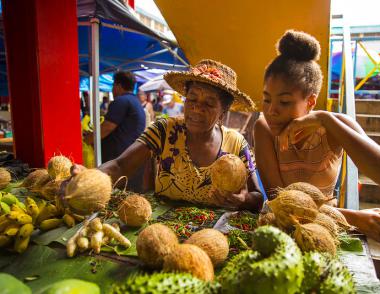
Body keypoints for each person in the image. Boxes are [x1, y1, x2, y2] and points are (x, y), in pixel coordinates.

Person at [254, 30, 380, 248]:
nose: (271, 111)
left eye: (284, 102)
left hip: (329, 228)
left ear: (311, 101)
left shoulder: (334, 126)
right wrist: (353, 217)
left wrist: (327, 120)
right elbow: (283, 205)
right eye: (266, 99)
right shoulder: (264, 128)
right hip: (285, 230)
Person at [79, 60, 262, 211]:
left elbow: (257, 197)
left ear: (223, 112)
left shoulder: (236, 144)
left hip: (214, 238)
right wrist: (86, 178)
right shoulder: (164, 130)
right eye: (192, 99)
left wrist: (243, 200)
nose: (197, 108)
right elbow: (120, 165)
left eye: (209, 103)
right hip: (164, 229)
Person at [84, 71, 146, 163]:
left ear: (118, 86)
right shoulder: (135, 102)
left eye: (113, 86)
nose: (112, 89)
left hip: (117, 160)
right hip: (129, 156)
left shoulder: (121, 101)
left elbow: (107, 128)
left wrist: (88, 139)